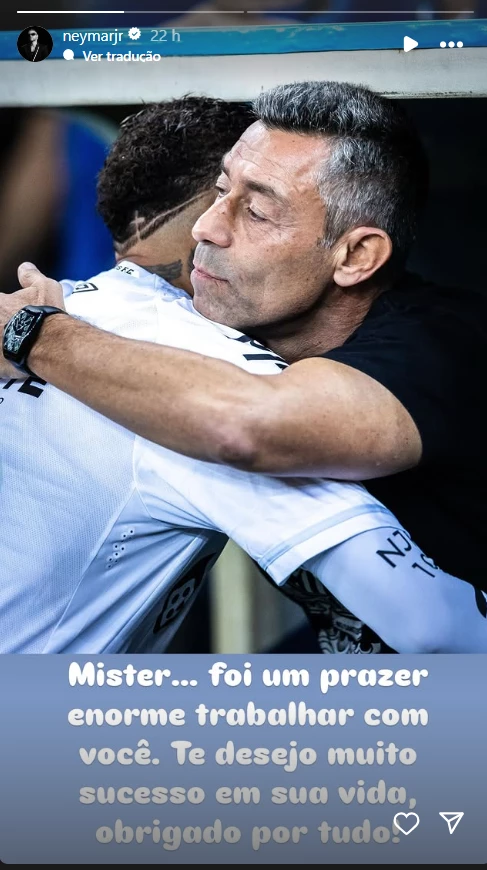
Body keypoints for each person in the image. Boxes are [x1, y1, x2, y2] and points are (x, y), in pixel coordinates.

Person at [1, 93, 486, 653]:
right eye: (219, 190)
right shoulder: (238, 328)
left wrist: (34, 333)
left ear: (356, 257)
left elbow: (250, 425)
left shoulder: (440, 344)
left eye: (256, 212)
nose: (205, 228)